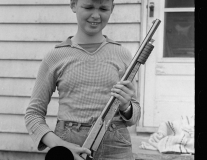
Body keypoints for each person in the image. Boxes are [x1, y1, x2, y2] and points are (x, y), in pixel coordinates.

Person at [25, 0, 141, 159]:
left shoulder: (122, 55)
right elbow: (33, 115)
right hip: (70, 143)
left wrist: (126, 106)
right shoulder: (55, 57)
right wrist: (61, 145)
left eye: (103, 8)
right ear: (73, 5)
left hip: (116, 146)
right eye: (88, 7)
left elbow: (133, 117)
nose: (96, 15)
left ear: (112, 9)